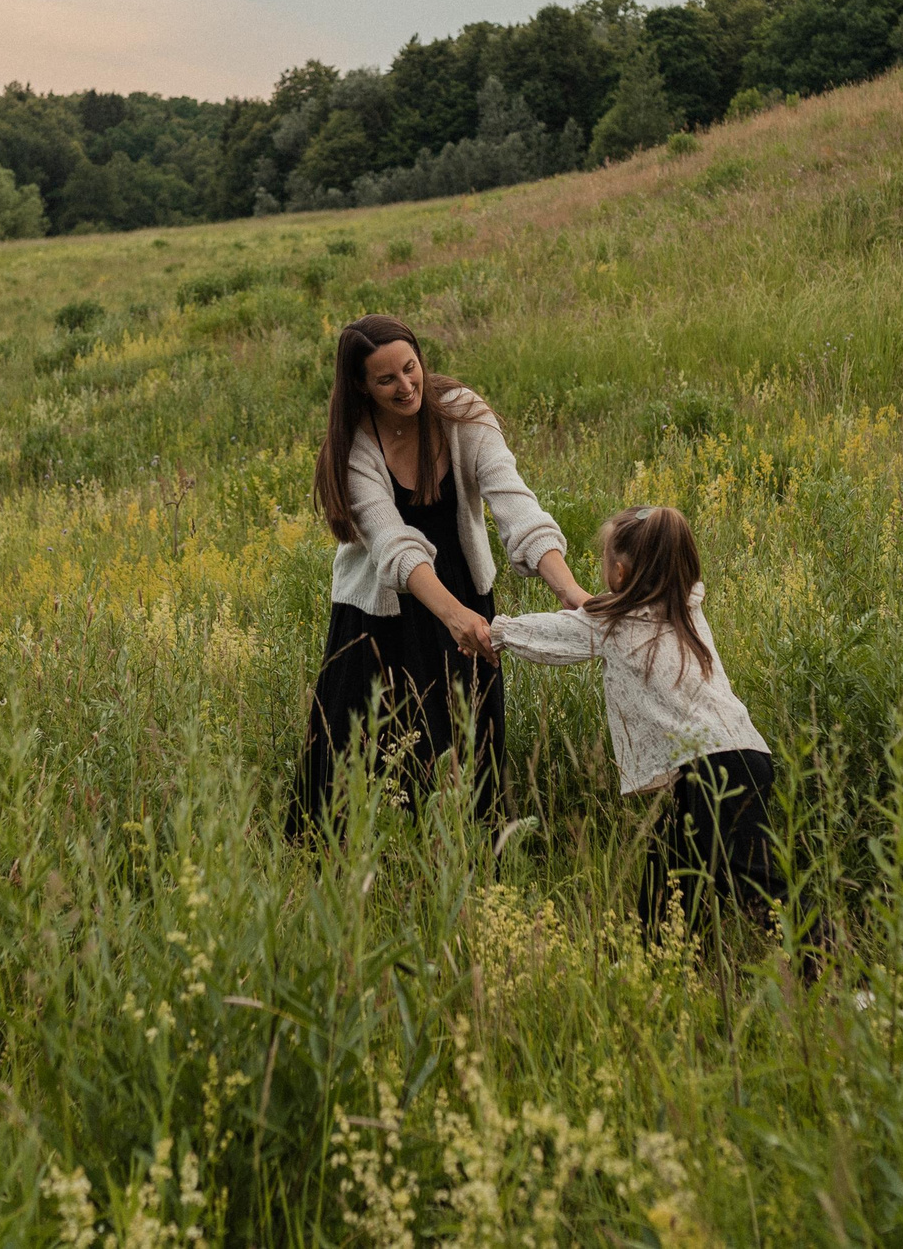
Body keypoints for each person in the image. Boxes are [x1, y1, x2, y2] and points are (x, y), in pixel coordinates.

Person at [287, 314, 586, 838]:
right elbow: (395, 548)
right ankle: (362, 861)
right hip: (380, 611)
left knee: (470, 738)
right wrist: (453, 616)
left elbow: (516, 506)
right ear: (360, 385)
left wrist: (571, 590)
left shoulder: (462, 414)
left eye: (411, 368)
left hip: (464, 590)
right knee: (369, 749)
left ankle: (476, 848)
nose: (406, 386)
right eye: (386, 380)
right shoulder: (355, 448)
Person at [488, 505, 785, 930]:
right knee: (672, 868)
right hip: (742, 757)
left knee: (753, 881)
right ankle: (655, 956)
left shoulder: (613, 625)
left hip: (712, 768)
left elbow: (549, 636)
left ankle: (827, 963)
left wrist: (495, 634)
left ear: (622, 574)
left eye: (605, 559)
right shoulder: (687, 608)